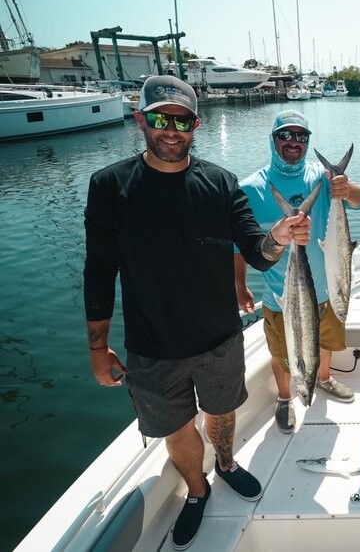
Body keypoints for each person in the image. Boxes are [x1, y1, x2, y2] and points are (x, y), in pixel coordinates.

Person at [84, 75, 308, 551]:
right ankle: (197, 488)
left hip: (219, 338)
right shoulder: (109, 186)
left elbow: (256, 249)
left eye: (182, 120)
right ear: (141, 119)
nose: (171, 130)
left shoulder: (221, 183)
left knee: (223, 412)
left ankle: (225, 464)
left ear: (195, 125)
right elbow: (99, 271)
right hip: (151, 348)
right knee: (175, 428)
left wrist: (279, 238)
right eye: (161, 118)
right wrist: (98, 347)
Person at [234, 110, 360, 433]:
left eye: (301, 136)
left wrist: (346, 189)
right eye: (286, 135)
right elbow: (237, 245)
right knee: (284, 353)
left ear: (308, 141)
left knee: (324, 342)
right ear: (273, 138)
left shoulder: (322, 178)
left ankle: (323, 378)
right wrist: (239, 284)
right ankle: (284, 397)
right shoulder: (250, 188)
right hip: (282, 297)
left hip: (328, 289)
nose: (293, 142)